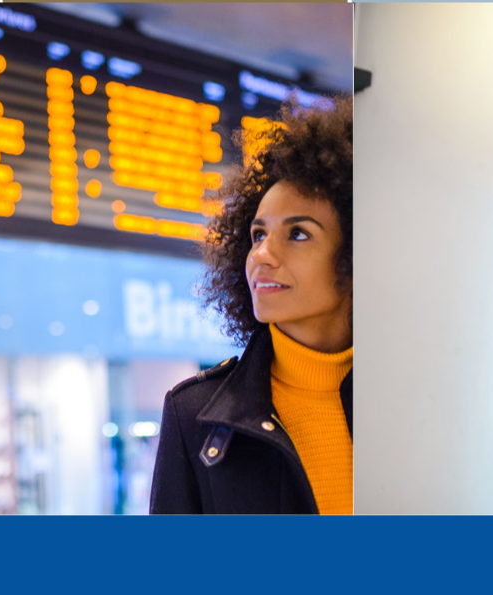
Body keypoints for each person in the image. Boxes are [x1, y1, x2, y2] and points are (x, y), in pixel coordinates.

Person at [151, 101, 354, 515]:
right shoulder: (195, 416)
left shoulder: (408, 397)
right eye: (258, 234)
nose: (261, 254)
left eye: (298, 234)